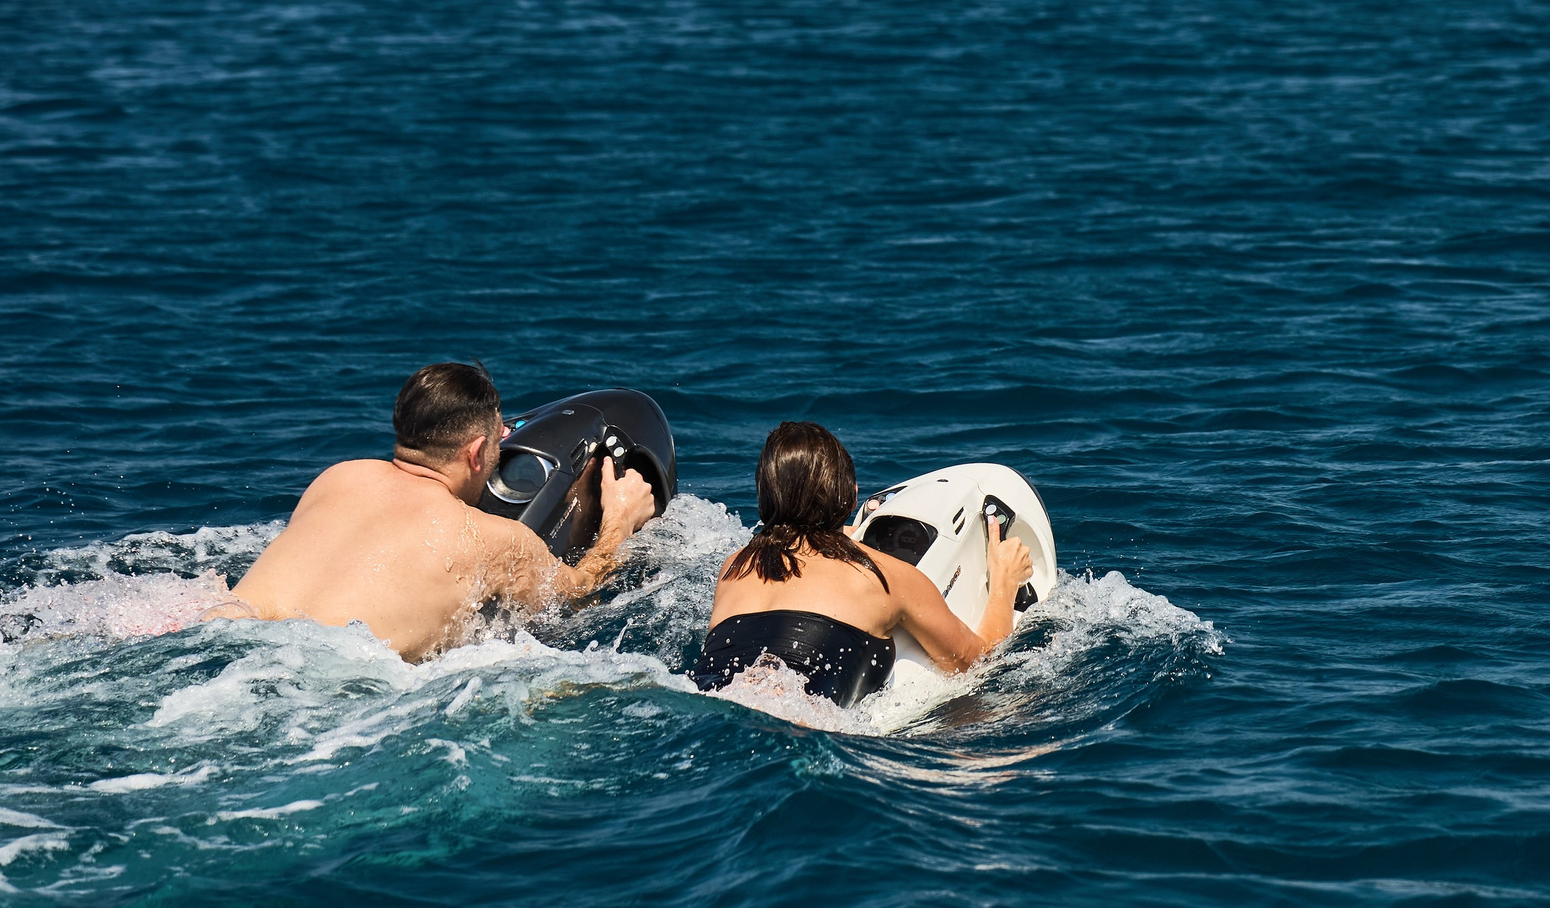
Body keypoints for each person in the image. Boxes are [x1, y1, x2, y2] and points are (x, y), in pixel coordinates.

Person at [216, 362, 659, 661]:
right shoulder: (491, 540)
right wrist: (620, 519)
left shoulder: (336, 478)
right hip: (336, 676)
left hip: (225, 636)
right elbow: (580, 595)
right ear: (478, 452)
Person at [693, 421, 1032, 707]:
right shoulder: (888, 578)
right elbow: (975, 665)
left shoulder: (736, 567)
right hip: (800, 726)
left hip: (712, 709)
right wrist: (1004, 582)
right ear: (851, 495)